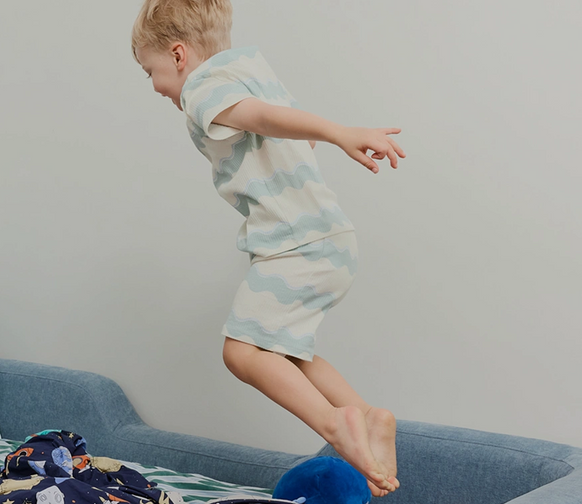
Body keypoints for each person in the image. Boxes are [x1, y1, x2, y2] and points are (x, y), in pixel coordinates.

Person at [131, 0, 406, 496]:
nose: (153, 86)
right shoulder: (248, 68)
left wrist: (338, 130)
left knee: (239, 352)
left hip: (295, 243)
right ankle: (366, 416)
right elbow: (280, 126)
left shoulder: (201, 87)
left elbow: (260, 117)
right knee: (282, 349)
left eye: (149, 71)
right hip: (331, 239)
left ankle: (334, 425)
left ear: (177, 55)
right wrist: (316, 136)